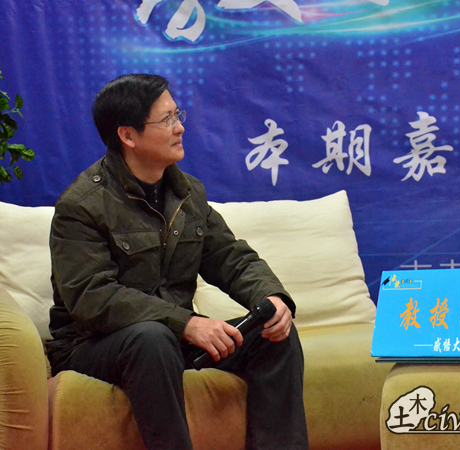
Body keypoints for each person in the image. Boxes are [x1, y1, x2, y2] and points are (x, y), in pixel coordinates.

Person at [45, 74, 309, 450]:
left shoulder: (187, 192)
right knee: (150, 338)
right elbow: (92, 297)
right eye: (166, 119)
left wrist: (272, 297)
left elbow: (230, 257)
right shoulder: (81, 205)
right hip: (94, 346)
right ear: (128, 135)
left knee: (273, 336)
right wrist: (186, 323)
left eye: (177, 115)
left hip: (172, 340)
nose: (180, 127)